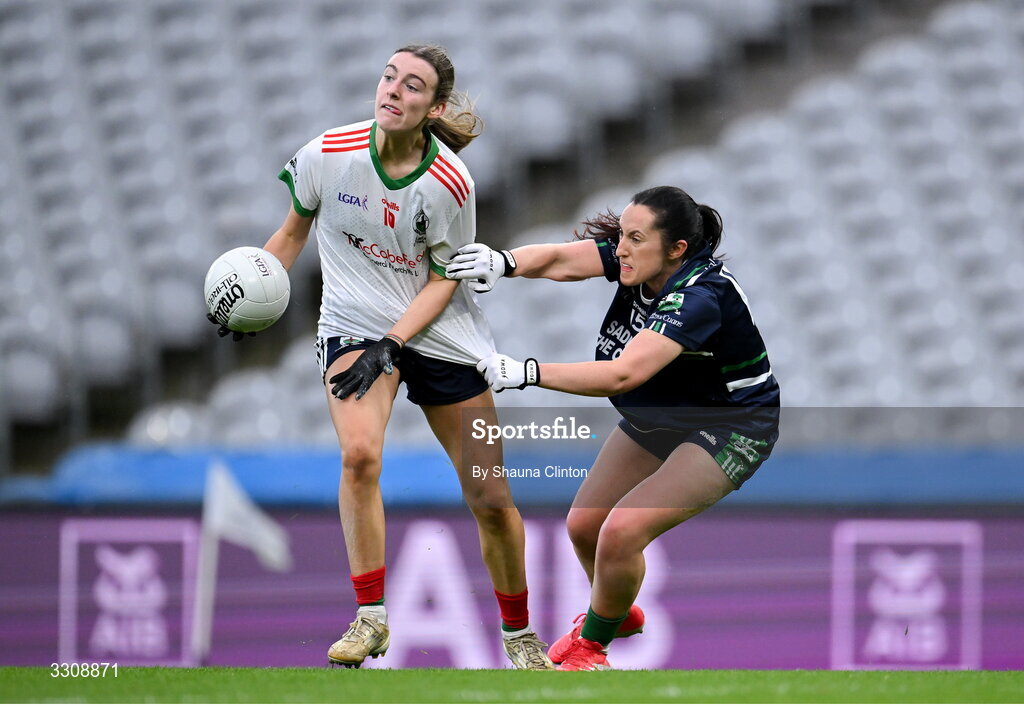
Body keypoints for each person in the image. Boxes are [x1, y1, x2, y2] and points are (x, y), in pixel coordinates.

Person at [211, 45, 553, 670]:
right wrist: (253, 290)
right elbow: (291, 232)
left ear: (435, 107)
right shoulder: (328, 153)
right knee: (360, 455)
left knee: (491, 498)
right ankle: (371, 619)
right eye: (389, 77)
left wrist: (395, 343)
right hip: (350, 325)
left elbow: (446, 277)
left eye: (413, 86)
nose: (393, 90)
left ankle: (519, 637)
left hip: (440, 331)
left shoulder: (451, 182)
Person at [445, 185, 781, 671]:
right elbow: (563, 259)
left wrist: (528, 372)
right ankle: (616, 611)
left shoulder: (700, 297)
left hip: (732, 425)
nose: (619, 248)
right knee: (584, 526)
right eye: (621, 235)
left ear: (676, 250)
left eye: (634, 238)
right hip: (663, 411)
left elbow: (624, 374)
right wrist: (503, 262)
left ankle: (591, 648)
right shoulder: (638, 259)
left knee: (622, 532)